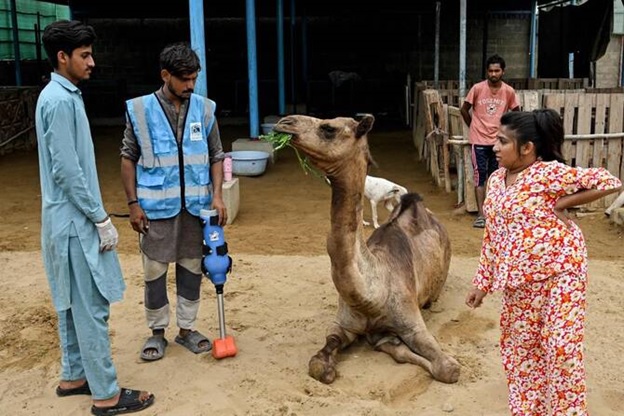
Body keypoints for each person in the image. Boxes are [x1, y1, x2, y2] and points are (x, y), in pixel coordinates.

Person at [465, 109, 621, 415]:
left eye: (502, 141)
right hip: (518, 282)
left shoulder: (547, 173)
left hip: (561, 275)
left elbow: (609, 181)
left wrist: (563, 201)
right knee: (522, 353)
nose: (494, 146)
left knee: (561, 351)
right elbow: (492, 237)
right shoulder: (496, 181)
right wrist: (482, 283)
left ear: (527, 148)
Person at [35, 20, 154, 416]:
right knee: (90, 307)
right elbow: (68, 172)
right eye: (84, 55)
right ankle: (105, 394)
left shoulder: (58, 95)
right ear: (62, 57)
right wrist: (100, 217)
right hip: (74, 223)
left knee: (69, 302)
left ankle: (74, 376)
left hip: (61, 221)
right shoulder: (59, 100)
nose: (92, 62)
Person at [120, 42, 227, 362]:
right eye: (184, 79)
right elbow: (128, 158)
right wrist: (132, 203)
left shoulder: (205, 109)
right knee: (154, 271)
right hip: (154, 209)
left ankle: (187, 329)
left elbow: (216, 155)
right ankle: (157, 333)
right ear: (165, 75)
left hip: (196, 208)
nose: (190, 86)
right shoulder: (139, 110)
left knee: (193, 268)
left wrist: (218, 195)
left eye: (194, 78)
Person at [461, 54, 520, 228]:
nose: (493, 74)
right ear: (486, 72)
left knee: (497, 177)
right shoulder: (477, 89)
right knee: (480, 176)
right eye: (490, 71)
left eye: (497, 70)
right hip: (478, 140)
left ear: (503, 71)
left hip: (498, 143)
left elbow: (516, 113)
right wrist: (473, 126)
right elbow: (464, 109)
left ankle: (496, 212)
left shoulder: (508, 91)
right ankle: (481, 215)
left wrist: (507, 132)